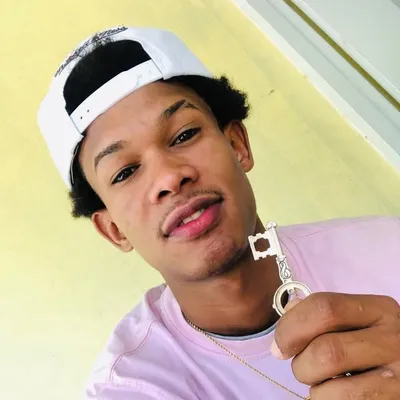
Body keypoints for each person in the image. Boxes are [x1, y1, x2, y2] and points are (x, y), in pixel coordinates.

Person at [38, 26, 400, 400]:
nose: (169, 177)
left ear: (237, 145)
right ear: (114, 230)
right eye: (126, 172)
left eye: (184, 135)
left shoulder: (389, 250)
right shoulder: (131, 387)